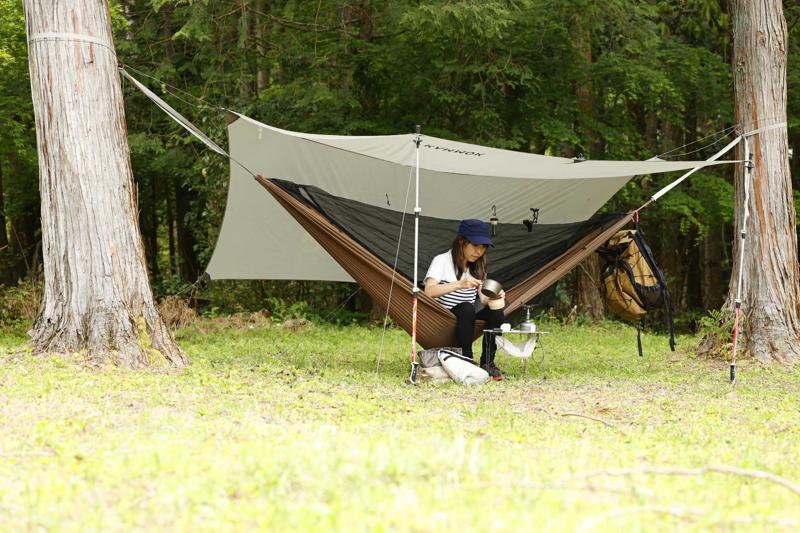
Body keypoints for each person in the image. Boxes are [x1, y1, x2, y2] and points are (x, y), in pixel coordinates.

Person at [423, 219, 506, 380]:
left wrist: (495, 297)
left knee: (496, 311)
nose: (479, 252)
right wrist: (459, 285)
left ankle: (487, 362)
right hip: (444, 320)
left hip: (467, 320)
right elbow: (428, 292)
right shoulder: (441, 261)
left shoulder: (478, 266)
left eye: (483, 247)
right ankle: (466, 359)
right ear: (462, 242)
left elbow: (483, 300)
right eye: (475, 246)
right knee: (467, 307)